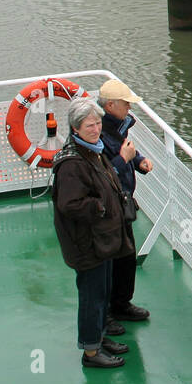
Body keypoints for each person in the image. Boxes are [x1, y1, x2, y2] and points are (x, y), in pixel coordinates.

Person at [52, 96, 135, 369]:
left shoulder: (93, 151)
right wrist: (101, 208)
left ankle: (99, 337)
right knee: (92, 297)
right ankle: (91, 352)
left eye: (98, 123)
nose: (96, 129)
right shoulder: (73, 164)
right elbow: (70, 204)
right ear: (76, 129)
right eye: (89, 125)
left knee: (103, 291)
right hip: (88, 243)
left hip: (103, 239)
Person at [98, 79, 153, 325]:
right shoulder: (96, 135)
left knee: (126, 257)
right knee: (109, 261)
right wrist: (125, 159)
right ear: (110, 106)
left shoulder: (118, 127)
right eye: (126, 105)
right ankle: (106, 313)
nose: (129, 110)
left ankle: (121, 303)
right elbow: (102, 175)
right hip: (107, 207)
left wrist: (137, 160)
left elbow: (122, 149)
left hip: (122, 203)